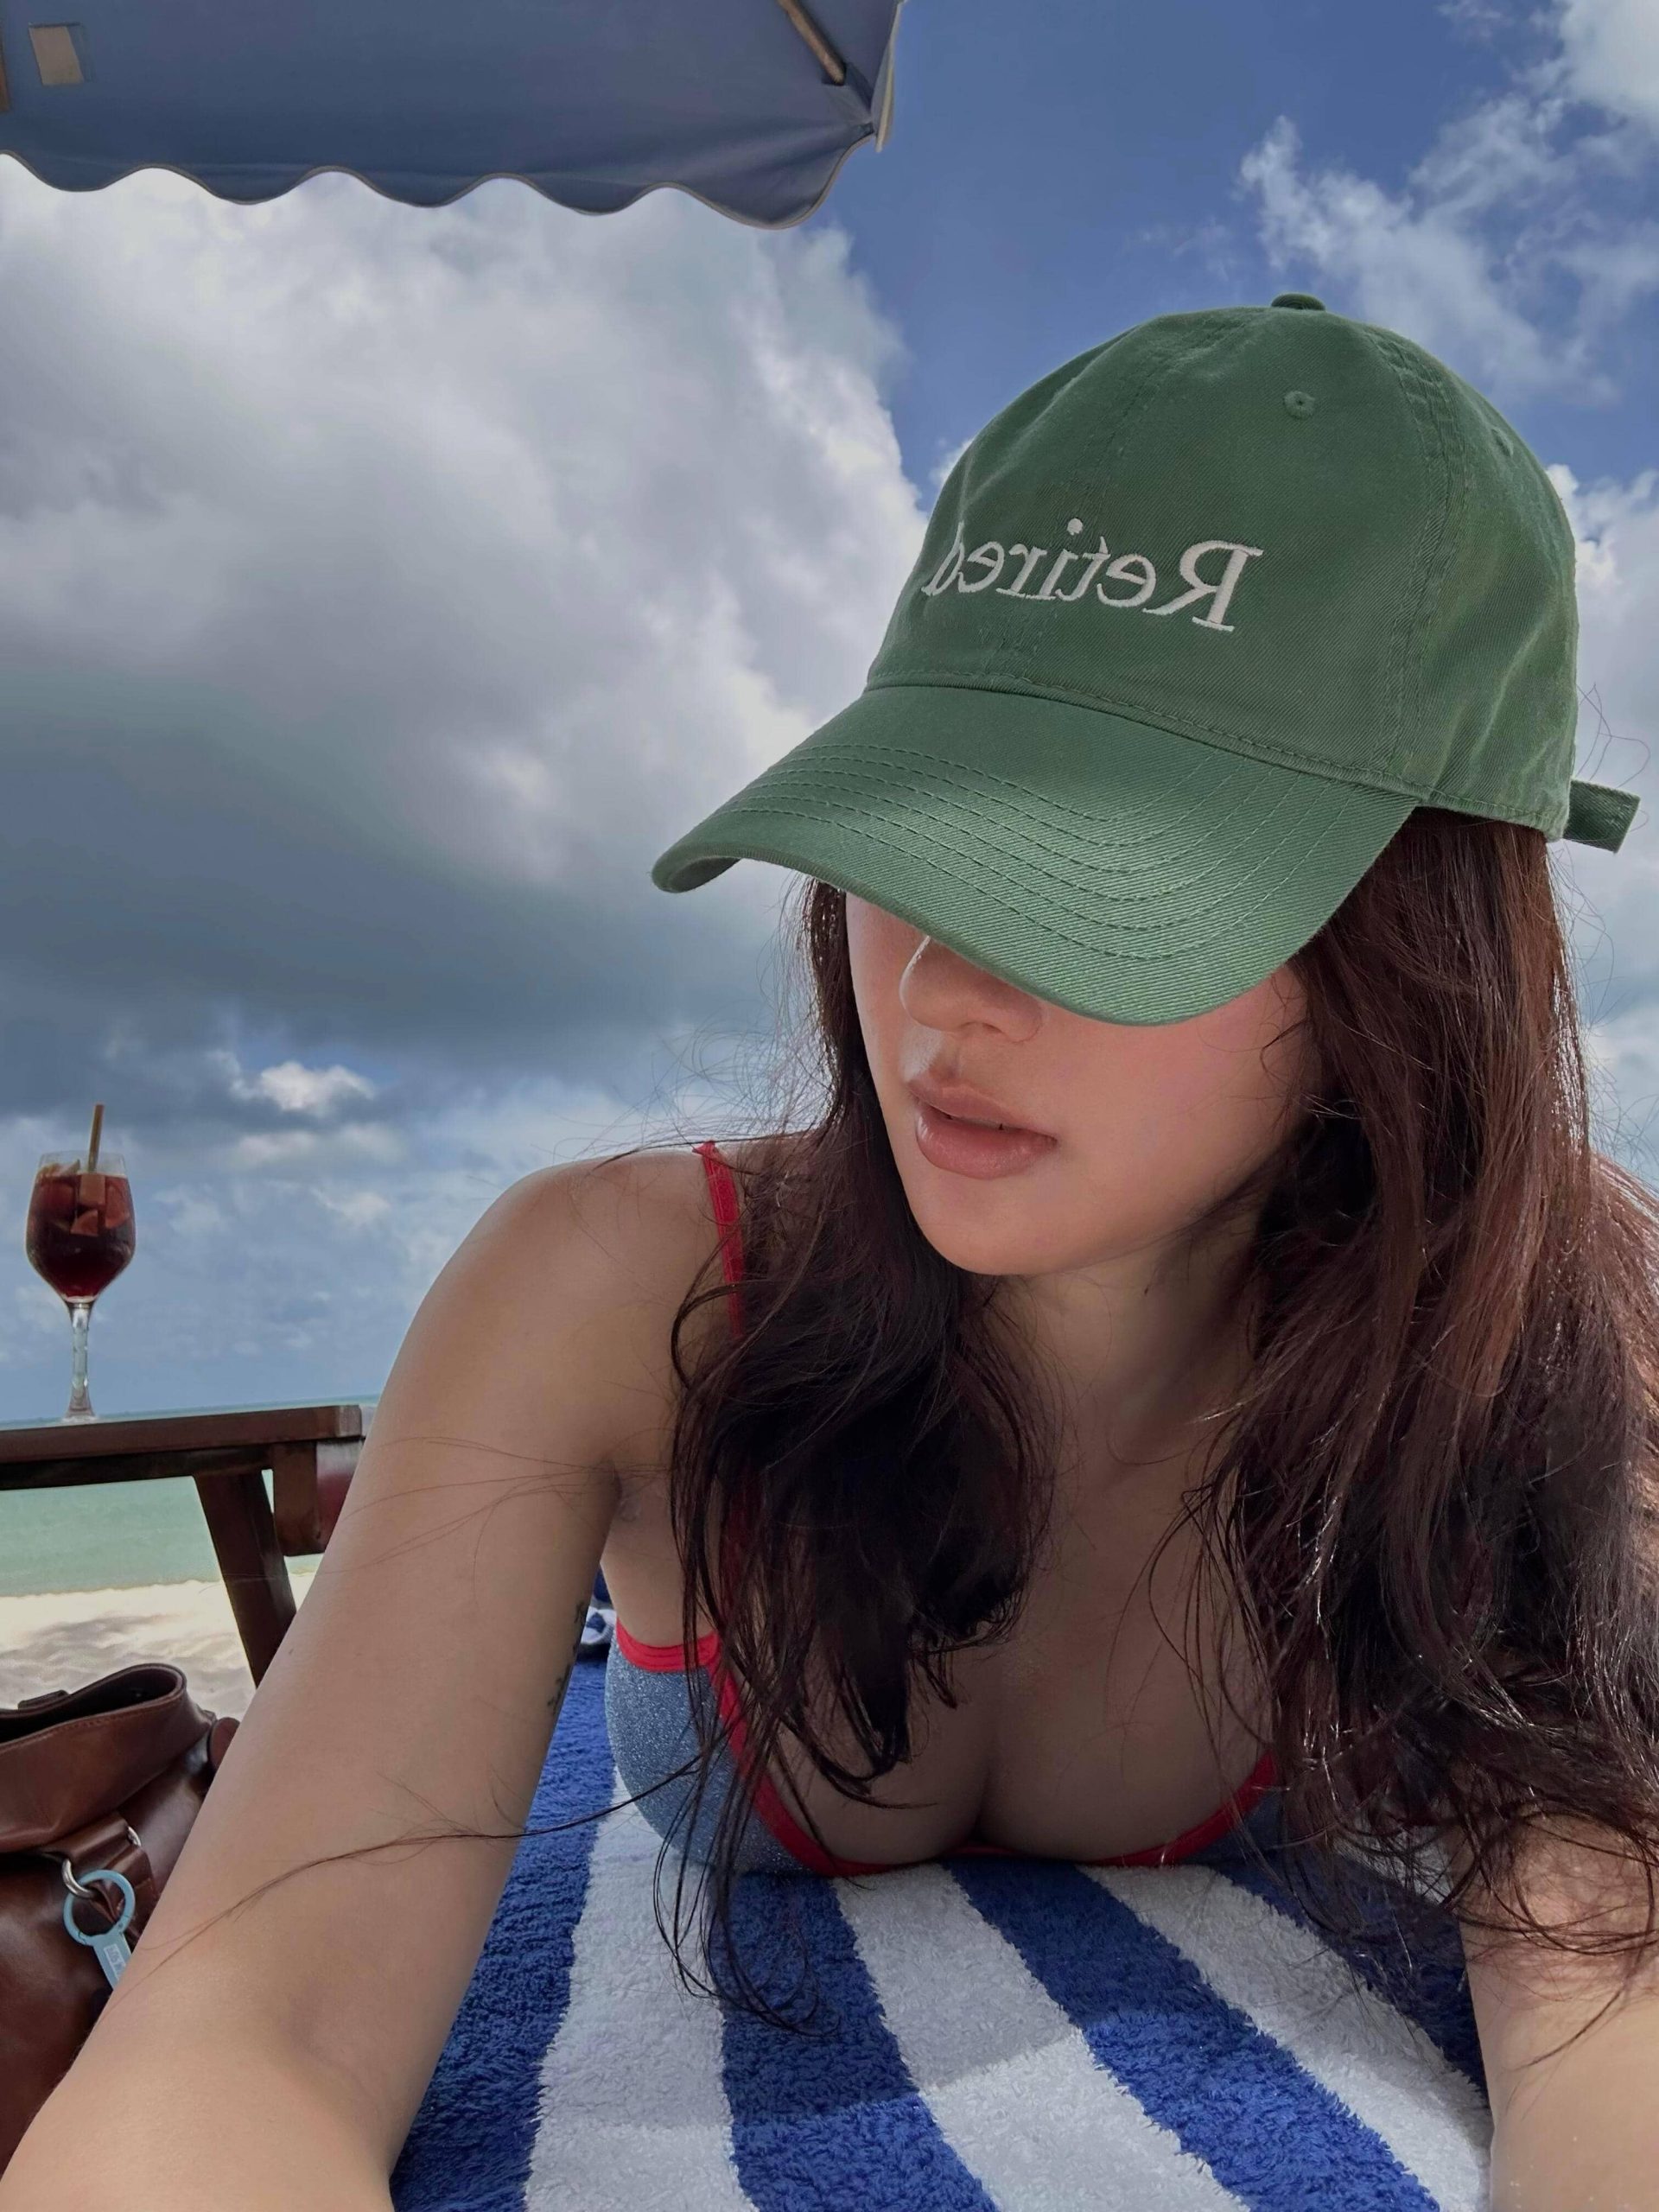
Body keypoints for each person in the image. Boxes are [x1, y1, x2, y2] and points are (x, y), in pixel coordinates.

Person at [4, 294, 1653, 2212]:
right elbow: (244, 2028)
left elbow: (1613, 2031)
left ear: (1413, 946)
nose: (941, 980)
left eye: (1115, 868)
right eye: (921, 830)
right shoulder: (627, 1288)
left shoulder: (1533, 1333)